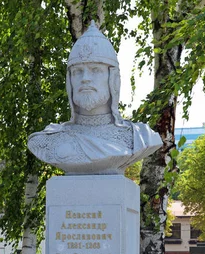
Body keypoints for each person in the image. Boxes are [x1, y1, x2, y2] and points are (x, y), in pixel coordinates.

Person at [28, 21, 162, 175]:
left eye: (95, 70)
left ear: (113, 79)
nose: (85, 78)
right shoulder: (48, 139)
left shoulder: (139, 137)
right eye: (78, 71)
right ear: (69, 81)